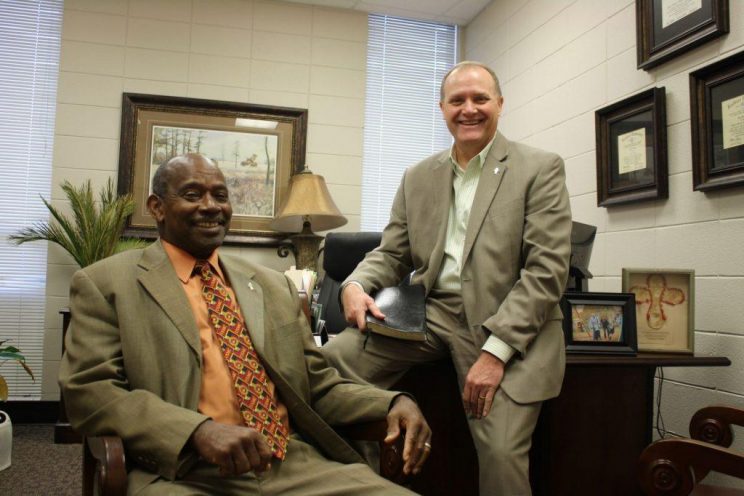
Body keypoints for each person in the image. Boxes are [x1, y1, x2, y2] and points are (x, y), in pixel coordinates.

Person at [59, 153, 431, 495]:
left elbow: (316, 385)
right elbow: (90, 392)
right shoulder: (107, 284)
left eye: (220, 195)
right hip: (183, 472)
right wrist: (197, 432)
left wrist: (391, 401)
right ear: (157, 207)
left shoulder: (271, 285)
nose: (211, 206)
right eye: (192, 194)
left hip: (292, 464)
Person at [321, 61, 572, 495]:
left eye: (480, 99)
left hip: (503, 323)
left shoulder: (539, 168)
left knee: (500, 453)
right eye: (458, 100)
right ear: (442, 108)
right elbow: (393, 252)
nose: (469, 109)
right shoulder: (418, 176)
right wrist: (355, 285)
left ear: (500, 104)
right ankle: (358, 483)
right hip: (432, 313)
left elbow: (545, 272)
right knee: (327, 368)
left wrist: (495, 354)